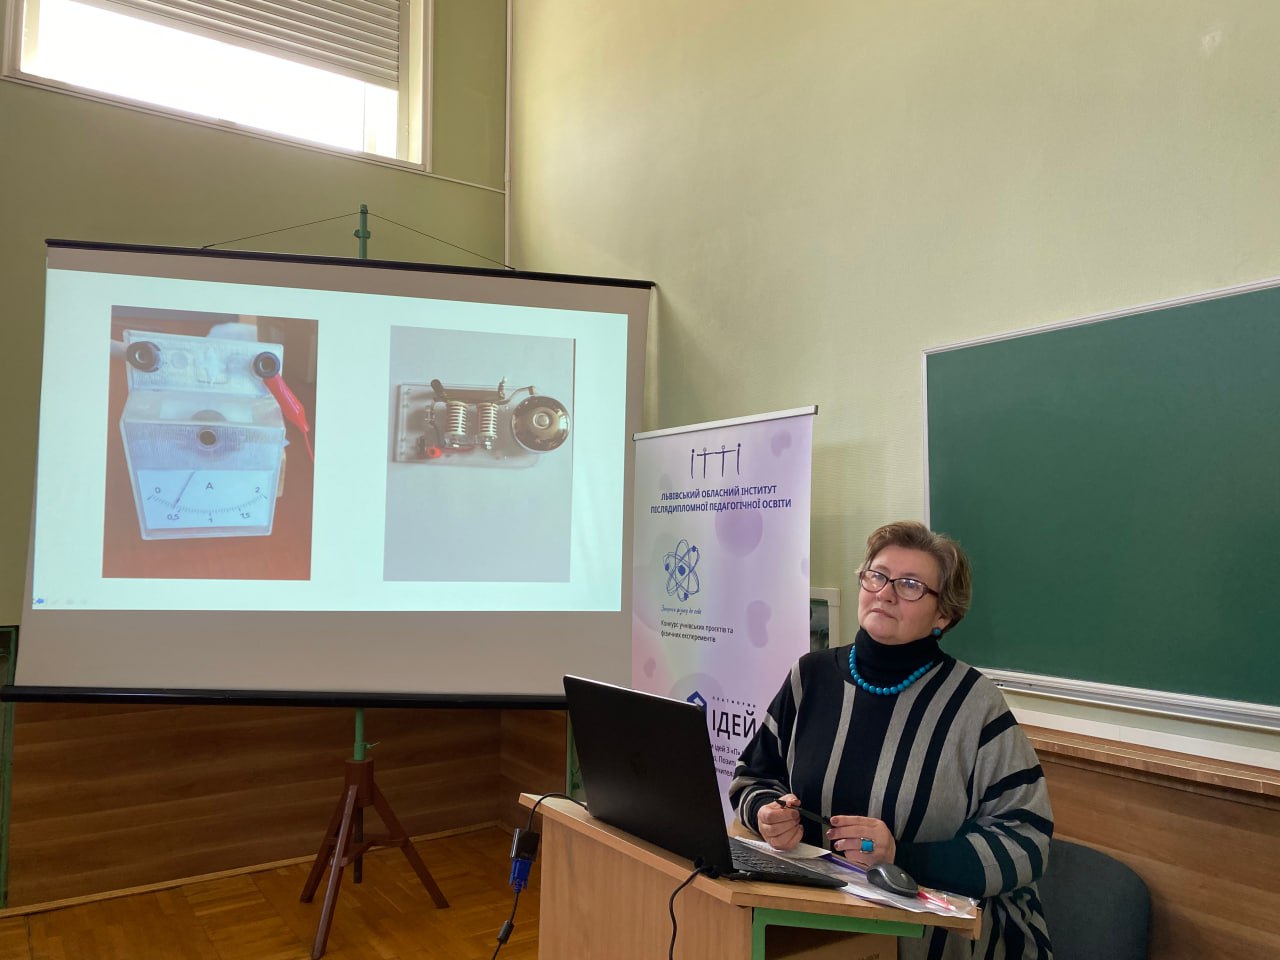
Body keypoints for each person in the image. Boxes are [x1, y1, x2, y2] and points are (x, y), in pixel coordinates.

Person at [730, 521, 1053, 959]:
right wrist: (766, 814)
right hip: (815, 925)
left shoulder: (974, 706)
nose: (885, 593)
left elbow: (1027, 840)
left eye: (910, 585)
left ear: (943, 615)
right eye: (877, 576)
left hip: (944, 941)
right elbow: (752, 777)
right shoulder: (810, 677)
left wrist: (900, 856)